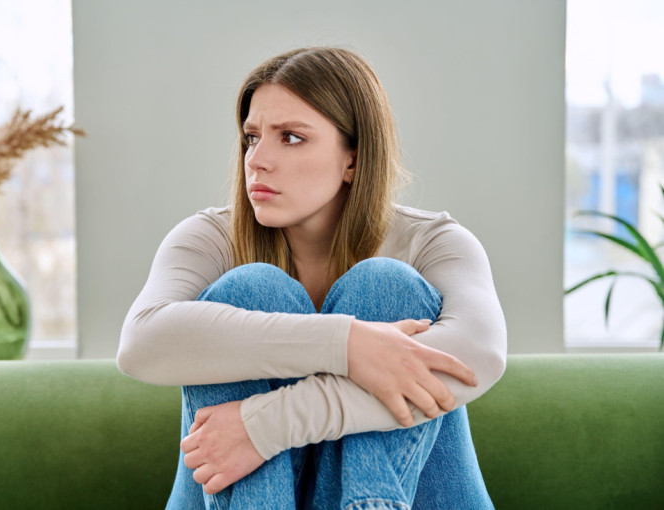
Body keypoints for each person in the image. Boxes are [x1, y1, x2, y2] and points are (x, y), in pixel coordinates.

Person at [118, 46, 507, 509]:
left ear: (353, 159)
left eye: (291, 137)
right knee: (250, 288)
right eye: (251, 137)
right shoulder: (210, 238)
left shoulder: (432, 242)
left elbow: (478, 357)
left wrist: (266, 425)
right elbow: (141, 344)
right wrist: (348, 345)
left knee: (386, 285)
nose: (256, 160)